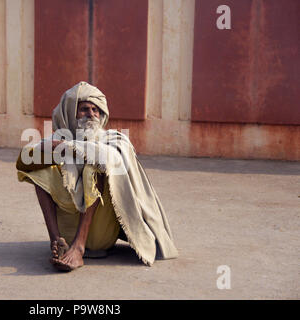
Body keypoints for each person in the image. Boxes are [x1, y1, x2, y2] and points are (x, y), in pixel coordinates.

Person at [16, 81, 178, 271]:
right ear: (70, 112)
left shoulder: (113, 138)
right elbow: (25, 160)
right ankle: (57, 243)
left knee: (95, 167)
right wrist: (51, 147)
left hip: (102, 231)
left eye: (96, 109)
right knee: (39, 169)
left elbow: (107, 157)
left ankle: (79, 247)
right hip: (68, 229)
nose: (92, 114)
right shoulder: (60, 137)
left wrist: (67, 148)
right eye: (84, 109)